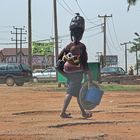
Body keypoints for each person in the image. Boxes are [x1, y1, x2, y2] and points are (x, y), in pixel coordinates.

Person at [58, 13, 93, 118]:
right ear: (81, 33)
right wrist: (90, 77)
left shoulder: (68, 46)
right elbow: (85, 63)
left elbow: (59, 58)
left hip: (68, 73)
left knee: (78, 93)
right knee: (70, 92)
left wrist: (65, 70)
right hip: (77, 74)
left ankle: (83, 113)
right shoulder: (82, 47)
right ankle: (63, 112)